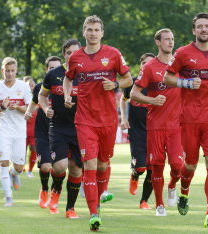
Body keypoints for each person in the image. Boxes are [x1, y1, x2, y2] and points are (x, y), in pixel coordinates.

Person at [63, 15, 132, 231]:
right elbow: (67, 78)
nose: (92, 33)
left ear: (102, 33)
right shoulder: (75, 57)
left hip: (108, 120)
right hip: (84, 120)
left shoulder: (113, 54)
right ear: (84, 32)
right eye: (89, 29)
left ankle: (99, 199)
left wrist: (114, 84)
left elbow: (128, 79)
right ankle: (94, 214)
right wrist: (67, 95)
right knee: (90, 166)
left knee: (103, 164)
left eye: (96, 30)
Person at [164, 13, 208, 227]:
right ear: (194, 31)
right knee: (191, 165)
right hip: (189, 119)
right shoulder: (183, 53)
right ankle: (184, 191)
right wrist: (185, 83)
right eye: (200, 26)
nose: (204, 29)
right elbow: (167, 77)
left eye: (207, 26)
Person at [131, 29, 184, 216]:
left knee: (178, 165)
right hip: (155, 125)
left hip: (176, 125)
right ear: (158, 43)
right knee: (157, 165)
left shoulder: (180, 65)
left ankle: (172, 186)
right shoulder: (150, 67)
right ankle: (159, 205)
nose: (170, 42)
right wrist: (152, 101)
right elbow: (133, 94)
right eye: (166, 39)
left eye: (172, 39)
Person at [38, 39, 82, 218]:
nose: (73, 55)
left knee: (76, 169)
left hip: (81, 127)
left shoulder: (86, 74)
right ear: (64, 54)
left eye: (76, 52)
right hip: (58, 127)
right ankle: (55, 190)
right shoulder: (53, 74)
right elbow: (42, 95)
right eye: (69, 52)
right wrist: (45, 108)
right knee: (59, 167)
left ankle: (70, 208)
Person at [0, 57, 32, 207]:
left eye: (12, 71)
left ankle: (14, 175)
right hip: (2, 130)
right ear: (2, 71)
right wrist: (2, 108)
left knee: (19, 167)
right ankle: (8, 197)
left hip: (19, 131)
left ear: (16, 71)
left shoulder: (24, 87)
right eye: (7, 71)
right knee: (3, 162)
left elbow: (30, 109)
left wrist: (17, 107)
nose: (10, 73)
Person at [24, 56, 62, 209]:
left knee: (59, 167)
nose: (53, 70)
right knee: (46, 167)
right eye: (50, 68)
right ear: (46, 70)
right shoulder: (40, 87)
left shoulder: (67, 86)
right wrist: (28, 113)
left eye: (56, 68)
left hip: (60, 133)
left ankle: (55, 192)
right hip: (42, 132)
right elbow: (34, 102)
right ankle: (44, 189)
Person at [120, 53, 155, 210]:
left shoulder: (158, 84)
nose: (147, 66)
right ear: (141, 66)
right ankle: (134, 176)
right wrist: (124, 118)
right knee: (141, 167)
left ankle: (144, 201)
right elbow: (123, 99)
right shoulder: (133, 83)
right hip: (136, 131)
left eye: (150, 63)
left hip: (155, 131)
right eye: (144, 63)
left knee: (153, 169)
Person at [23, 76, 38, 178]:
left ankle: (30, 170)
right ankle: (20, 167)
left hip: (34, 128)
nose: (31, 87)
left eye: (32, 85)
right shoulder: (22, 98)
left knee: (33, 149)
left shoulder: (38, 97)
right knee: (21, 150)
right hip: (23, 128)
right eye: (29, 85)